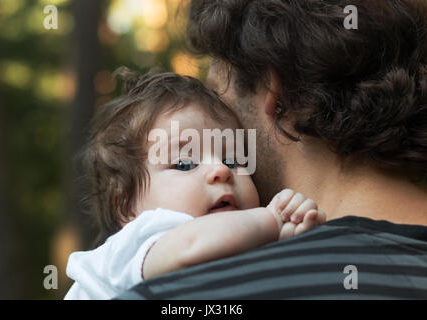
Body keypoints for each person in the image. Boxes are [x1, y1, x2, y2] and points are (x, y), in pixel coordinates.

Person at [117, 0, 427, 299]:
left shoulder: (179, 294)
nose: (219, 168)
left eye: (216, 96)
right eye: (185, 162)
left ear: (272, 89)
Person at [64, 68, 325, 299]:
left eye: (233, 159)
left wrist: (287, 236)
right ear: (126, 206)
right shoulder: (137, 241)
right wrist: (273, 219)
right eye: (185, 164)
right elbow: (191, 246)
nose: (221, 170)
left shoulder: (233, 241)